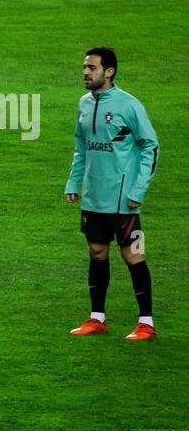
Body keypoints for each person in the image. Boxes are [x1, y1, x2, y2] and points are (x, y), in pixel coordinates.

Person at [64, 47, 159, 340]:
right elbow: (82, 148)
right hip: (94, 196)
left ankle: (146, 323)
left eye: (91, 68)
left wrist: (138, 189)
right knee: (96, 253)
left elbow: (151, 147)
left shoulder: (129, 106)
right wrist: (73, 183)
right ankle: (97, 318)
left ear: (109, 72)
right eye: (84, 67)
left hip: (123, 200)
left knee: (133, 256)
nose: (85, 73)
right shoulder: (83, 104)